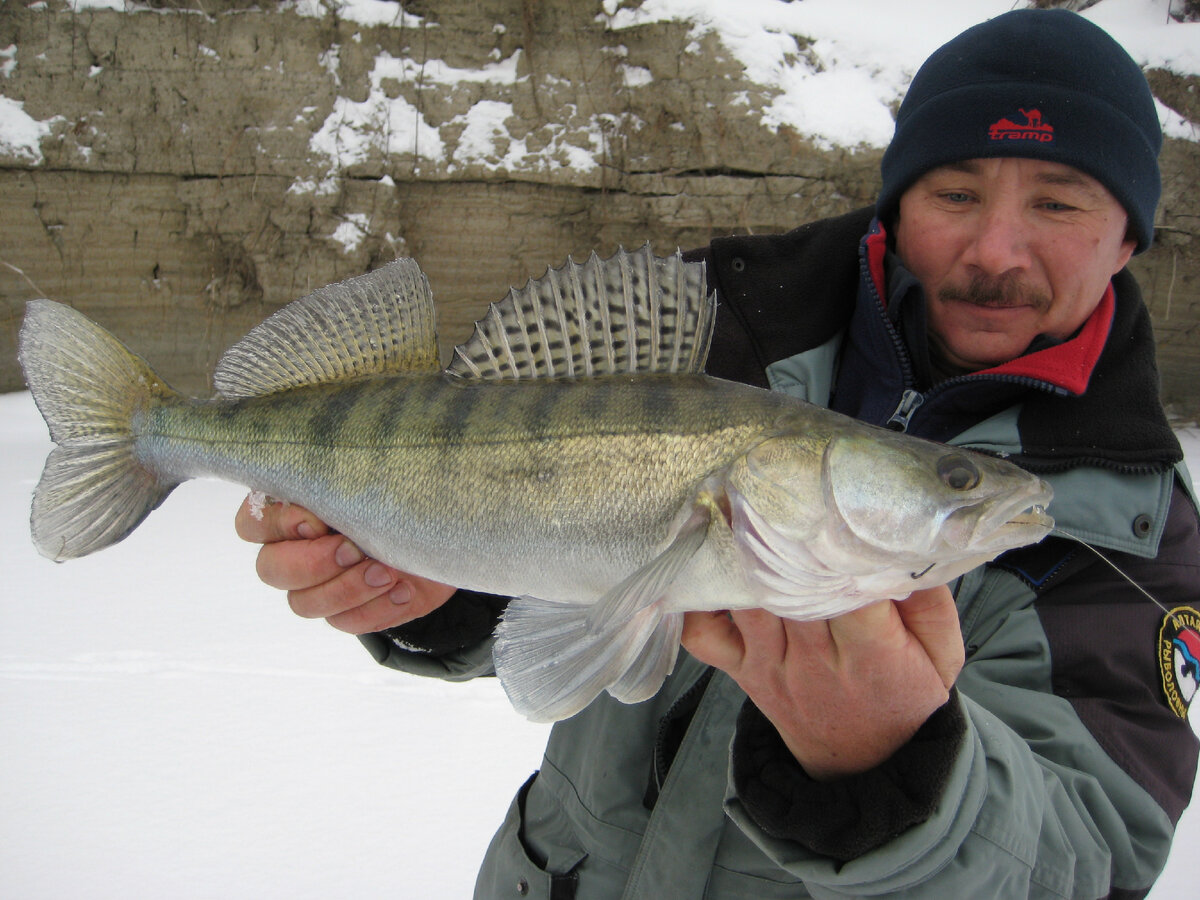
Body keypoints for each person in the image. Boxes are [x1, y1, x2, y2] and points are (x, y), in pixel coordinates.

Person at [236, 10, 1200, 898]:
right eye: (955, 191)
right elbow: (544, 553)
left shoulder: (1136, 535)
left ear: (1128, 239)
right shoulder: (703, 329)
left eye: (1060, 204)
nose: (996, 249)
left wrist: (897, 769)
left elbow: (1095, 854)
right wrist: (446, 590)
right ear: (900, 202)